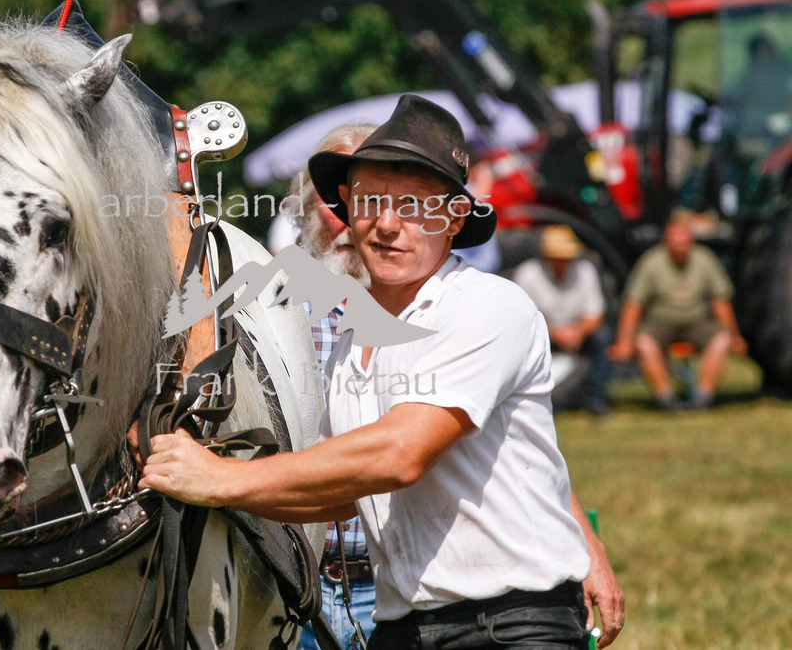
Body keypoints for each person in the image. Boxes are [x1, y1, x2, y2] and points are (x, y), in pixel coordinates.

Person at [141, 95, 623, 648]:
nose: (388, 225)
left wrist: (219, 478)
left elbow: (400, 454)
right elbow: (341, 495)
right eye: (371, 201)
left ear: (454, 217)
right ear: (346, 207)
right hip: (403, 628)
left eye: (415, 206)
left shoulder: (486, 305)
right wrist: (203, 489)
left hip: (508, 626)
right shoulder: (354, 343)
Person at [290, 123, 377, 650]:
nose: (350, 221)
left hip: (394, 582)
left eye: (368, 202)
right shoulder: (263, 305)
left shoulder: (428, 307)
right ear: (303, 207)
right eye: (334, 201)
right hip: (293, 583)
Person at [609, 210, 746, 409]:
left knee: (722, 339)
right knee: (644, 342)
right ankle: (667, 399)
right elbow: (633, 305)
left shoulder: (705, 259)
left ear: (691, 237)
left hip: (697, 323)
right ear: (667, 238)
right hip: (660, 325)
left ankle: (702, 398)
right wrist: (624, 342)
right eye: (676, 235)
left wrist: (734, 335)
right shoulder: (651, 262)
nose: (681, 241)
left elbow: (721, 303)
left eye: (685, 235)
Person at [513, 225, 611, 415]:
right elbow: (521, 318)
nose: (563, 262)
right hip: (541, 333)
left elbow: (596, 314)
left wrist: (578, 331)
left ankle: (596, 398)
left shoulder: (585, 271)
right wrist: (555, 333)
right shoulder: (528, 273)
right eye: (557, 257)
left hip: (577, 331)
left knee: (602, 338)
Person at [729, 32, 792, 139]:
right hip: (761, 133)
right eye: (760, 52)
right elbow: (733, 98)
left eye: (765, 51)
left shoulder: (786, 70)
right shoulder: (750, 75)